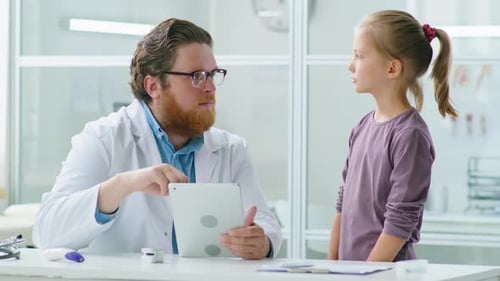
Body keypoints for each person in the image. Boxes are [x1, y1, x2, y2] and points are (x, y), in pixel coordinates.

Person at [32, 18, 282, 260]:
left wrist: (262, 243)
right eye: (197, 76)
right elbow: (48, 232)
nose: (210, 87)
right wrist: (122, 185)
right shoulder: (104, 138)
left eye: (213, 74)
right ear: (153, 86)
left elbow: (265, 224)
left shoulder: (231, 149)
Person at [327, 10, 457, 262]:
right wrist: (332, 265)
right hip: (351, 272)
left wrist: (367, 273)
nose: (350, 65)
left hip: (385, 273)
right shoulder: (362, 127)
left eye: (359, 56)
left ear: (392, 68)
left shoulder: (410, 135)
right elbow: (343, 203)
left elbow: (400, 220)